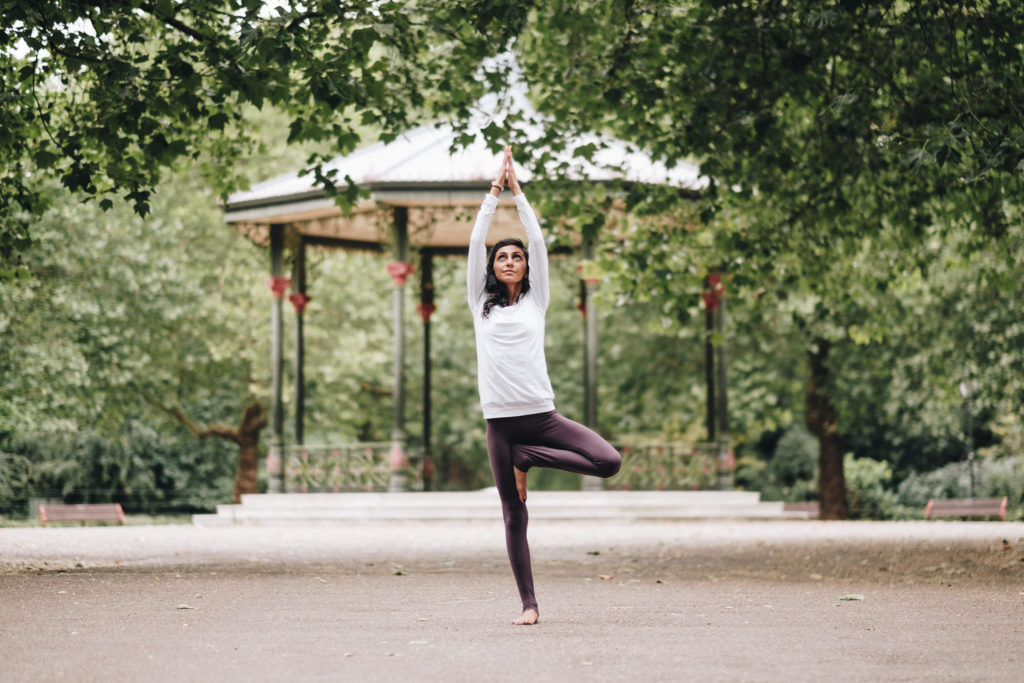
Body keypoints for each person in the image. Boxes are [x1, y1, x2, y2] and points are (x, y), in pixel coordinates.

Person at [467, 146, 622, 626]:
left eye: (516, 257)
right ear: (492, 267)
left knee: (608, 461)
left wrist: (520, 194)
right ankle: (529, 604)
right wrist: (494, 194)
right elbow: (476, 242)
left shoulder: (537, 302)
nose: (509, 260)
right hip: (500, 424)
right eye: (502, 257)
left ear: (527, 267)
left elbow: (538, 240)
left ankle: (528, 459)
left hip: (542, 417)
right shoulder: (481, 305)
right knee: (514, 515)